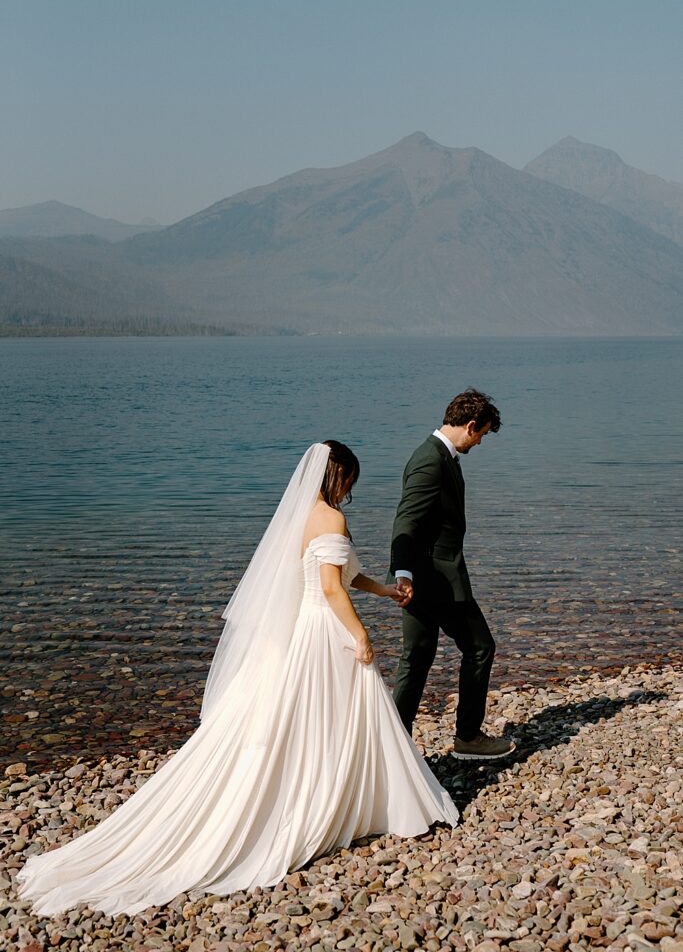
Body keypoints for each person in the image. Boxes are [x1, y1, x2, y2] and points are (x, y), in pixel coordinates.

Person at [17, 441, 458, 917]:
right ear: (338, 475)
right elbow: (330, 588)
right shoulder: (330, 519)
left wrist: (385, 590)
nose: (350, 489)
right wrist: (361, 634)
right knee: (343, 712)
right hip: (324, 630)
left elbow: (343, 576)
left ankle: (337, 792)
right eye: (349, 479)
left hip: (302, 629)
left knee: (319, 716)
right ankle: (352, 800)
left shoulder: (299, 517)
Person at [390, 389, 516, 759]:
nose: (479, 443)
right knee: (480, 648)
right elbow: (406, 520)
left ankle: (394, 748)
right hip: (435, 581)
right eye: (481, 435)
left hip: (423, 579)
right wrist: (403, 573)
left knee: (416, 659)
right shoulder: (431, 461)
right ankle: (468, 737)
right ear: (471, 425)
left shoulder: (440, 455)